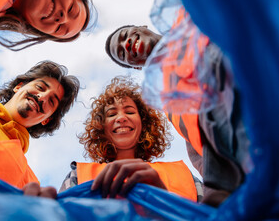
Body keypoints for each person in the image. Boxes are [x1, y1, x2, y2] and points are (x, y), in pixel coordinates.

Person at [104, 4, 250, 206]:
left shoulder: (191, 14)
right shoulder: (173, 110)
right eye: (122, 53)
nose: (126, 45)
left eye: (125, 36)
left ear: (142, 27)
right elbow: (202, 154)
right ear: (136, 66)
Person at [60, 76, 201, 201]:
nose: (121, 118)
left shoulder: (182, 174)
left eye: (129, 111)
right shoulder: (77, 175)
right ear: (101, 128)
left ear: (144, 123)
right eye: (111, 114)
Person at [0, 60, 79, 190]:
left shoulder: (28, 183)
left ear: (47, 120)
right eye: (40, 87)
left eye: (51, 101)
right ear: (19, 86)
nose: (42, 97)